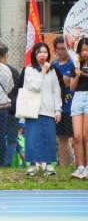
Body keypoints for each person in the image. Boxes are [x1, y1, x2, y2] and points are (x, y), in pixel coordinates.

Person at [24, 43, 62, 176]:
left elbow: (56, 91)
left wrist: (58, 109)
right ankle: (33, 165)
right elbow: (34, 86)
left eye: (45, 52)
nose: (43, 55)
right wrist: (43, 71)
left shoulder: (52, 70)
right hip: (32, 109)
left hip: (48, 109)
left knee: (49, 137)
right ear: (34, 54)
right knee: (32, 137)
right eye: (39, 52)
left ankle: (49, 164)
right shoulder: (29, 70)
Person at [52, 37, 75, 167]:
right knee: (61, 138)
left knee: (75, 138)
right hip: (58, 108)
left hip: (72, 107)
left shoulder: (73, 64)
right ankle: (64, 166)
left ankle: (79, 164)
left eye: (63, 48)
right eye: (58, 49)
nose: (61, 51)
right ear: (55, 50)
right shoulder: (53, 65)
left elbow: (68, 81)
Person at [0, 44, 21, 168]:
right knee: (12, 138)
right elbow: (18, 90)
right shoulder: (13, 70)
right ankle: (6, 164)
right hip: (12, 108)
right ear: (6, 55)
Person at [70, 38, 88, 179]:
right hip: (77, 97)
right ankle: (80, 167)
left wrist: (84, 74)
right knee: (77, 136)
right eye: (82, 50)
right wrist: (76, 74)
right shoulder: (76, 64)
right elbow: (72, 87)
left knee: (86, 135)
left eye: (87, 49)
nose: (84, 52)